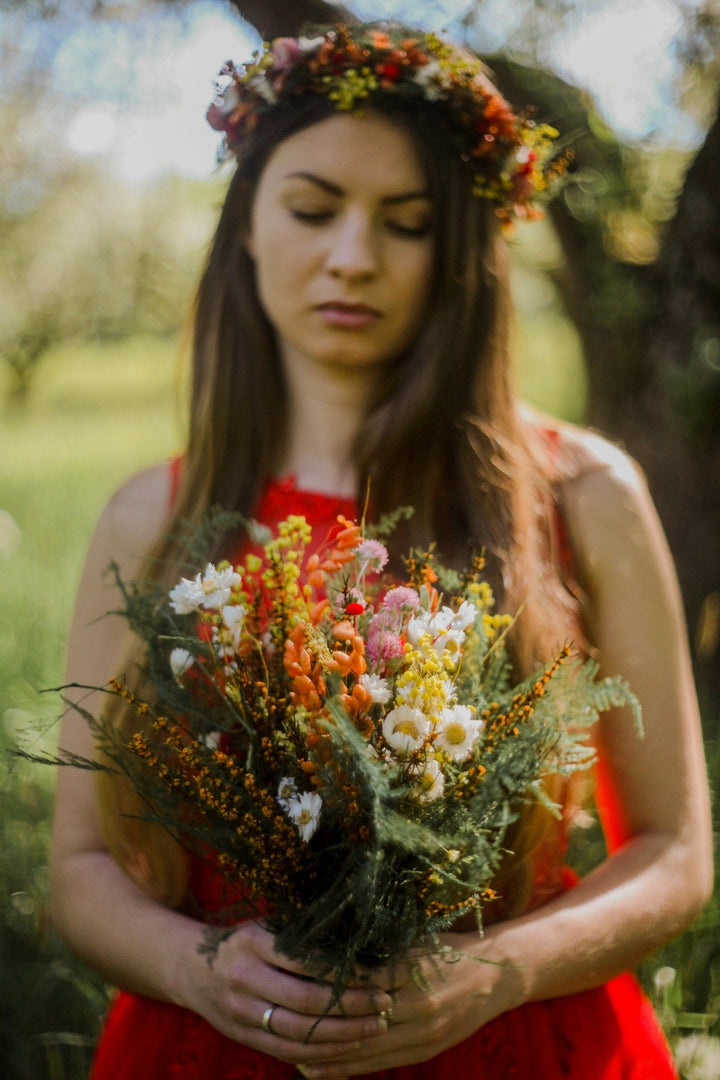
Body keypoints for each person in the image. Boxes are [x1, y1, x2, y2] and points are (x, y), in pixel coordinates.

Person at [50, 22, 713, 1080]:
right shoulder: (154, 517)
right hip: (216, 1045)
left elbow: (676, 856)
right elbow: (80, 868)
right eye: (313, 210)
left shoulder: (584, 495)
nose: (353, 257)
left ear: (460, 252)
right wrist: (198, 967)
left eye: (405, 224)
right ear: (250, 229)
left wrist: (500, 972)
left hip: (526, 1045)